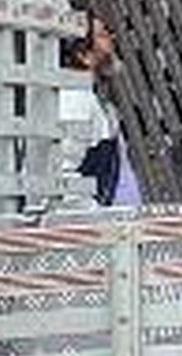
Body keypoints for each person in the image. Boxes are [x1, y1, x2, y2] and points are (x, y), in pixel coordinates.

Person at [57, 16, 145, 210]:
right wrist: (96, 216)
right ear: (83, 55)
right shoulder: (74, 102)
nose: (112, 39)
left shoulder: (93, 99)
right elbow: (62, 175)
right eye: (103, 35)